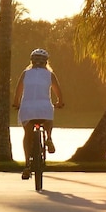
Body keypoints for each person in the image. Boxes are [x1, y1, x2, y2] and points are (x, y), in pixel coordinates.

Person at [12, 48, 64, 179]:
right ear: (46, 62)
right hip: (44, 107)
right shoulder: (50, 75)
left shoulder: (25, 73)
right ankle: (49, 137)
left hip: (27, 107)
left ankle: (27, 165)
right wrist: (60, 102)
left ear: (32, 61)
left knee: (27, 135)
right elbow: (58, 91)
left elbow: (18, 91)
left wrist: (16, 104)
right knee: (48, 117)